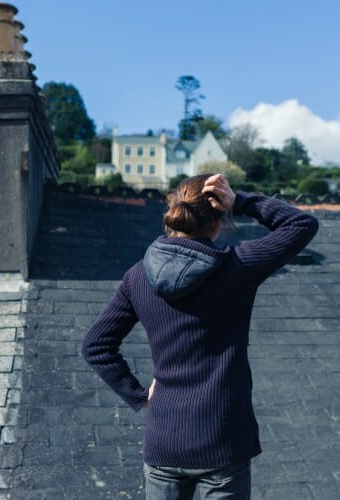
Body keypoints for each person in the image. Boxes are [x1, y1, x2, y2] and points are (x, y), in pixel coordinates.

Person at [82, 173, 319, 499]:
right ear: (217, 221)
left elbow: (96, 346)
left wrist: (139, 395)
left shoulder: (137, 277)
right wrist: (241, 201)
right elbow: (301, 226)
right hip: (223, 441)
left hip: (165, 441)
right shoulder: (237, 267)